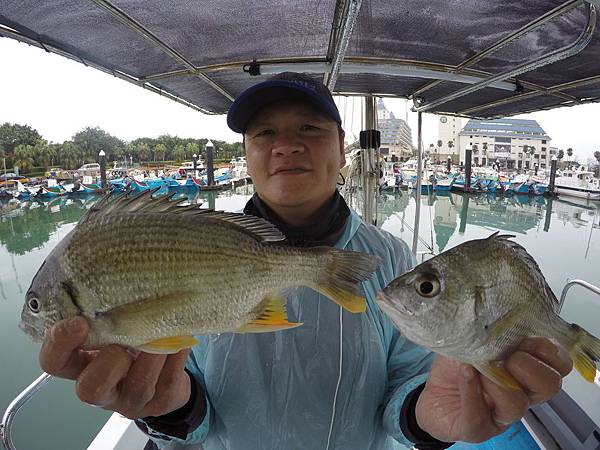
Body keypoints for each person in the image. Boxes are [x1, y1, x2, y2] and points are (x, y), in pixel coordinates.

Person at [38, 73, 572, 450]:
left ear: (343, 151)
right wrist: (170, 405)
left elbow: (410, 385)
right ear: (246, 155)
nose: (285, 145)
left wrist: (428, 421)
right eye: (264, 133)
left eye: (310, 130)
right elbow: (188, 401)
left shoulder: (390, 257)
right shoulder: (190, 248)